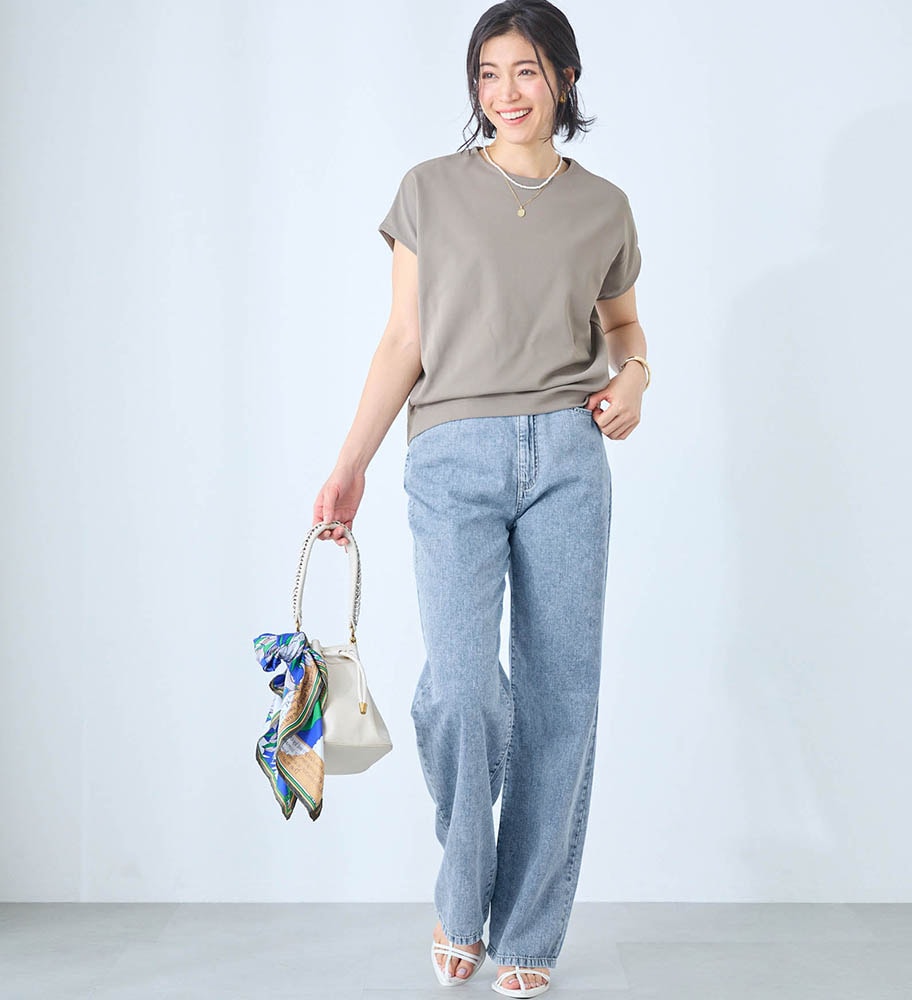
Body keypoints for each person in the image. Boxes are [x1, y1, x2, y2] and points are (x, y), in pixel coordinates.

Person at [312, 2, 650, 995]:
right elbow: (403, 339)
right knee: (462, 690)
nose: (506, 92)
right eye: (489, 73)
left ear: (565, 80)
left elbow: (625, 328)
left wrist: (637, 377)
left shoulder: (605, 207)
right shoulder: (429, 190)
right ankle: (463, 895)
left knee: (560, 697)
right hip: (452, 452)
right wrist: (351, 462)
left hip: (569, 456)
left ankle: (530, 934)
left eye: (527, 71)